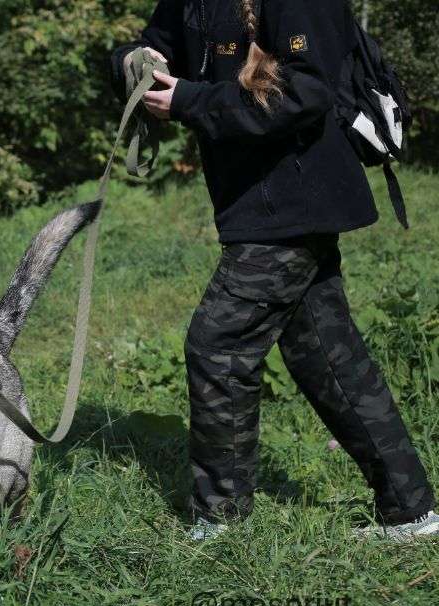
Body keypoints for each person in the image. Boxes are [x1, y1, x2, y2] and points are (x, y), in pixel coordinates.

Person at [110, 0, 437, 540]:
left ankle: (222, 520)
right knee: (325, 356)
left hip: (296, 201)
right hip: (252, 205)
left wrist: (190, 101)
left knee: (219, 344)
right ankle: (410, 509)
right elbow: (155, 42)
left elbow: (306, 92)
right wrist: (133, 61)